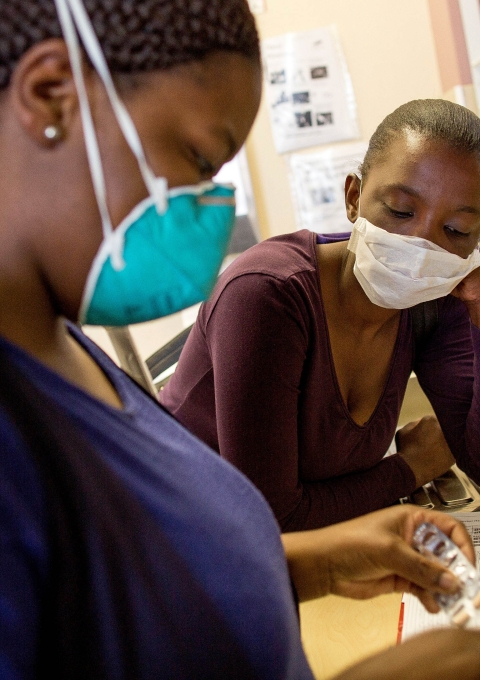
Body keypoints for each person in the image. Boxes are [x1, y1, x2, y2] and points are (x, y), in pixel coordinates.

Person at [1, 2, 480, 678]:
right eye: (199, 161)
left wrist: (320, 562)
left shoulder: (62, 349)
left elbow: (150, 572)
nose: (211, 209)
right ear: (50, 94)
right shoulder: (269, 293)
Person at [161, 98, 480, 531]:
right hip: (181, 545)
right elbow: (273, 519)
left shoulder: (439, 301)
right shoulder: (266, 295)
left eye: (456, 230)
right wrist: (410, 468)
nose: (420, 246)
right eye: (401, 211)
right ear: (353, 197)